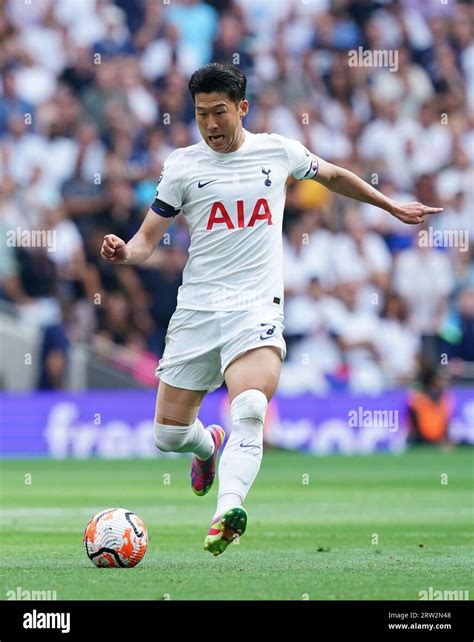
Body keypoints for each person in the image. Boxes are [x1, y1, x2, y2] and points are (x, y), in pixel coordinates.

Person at [100, 63, 442, 556]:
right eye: (201, 115)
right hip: (197, 311)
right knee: (167, 436)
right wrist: (123, 253)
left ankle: (228, 509)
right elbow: (147, 241)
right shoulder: (181, 166)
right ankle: (207, 446)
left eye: (220, 112)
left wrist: (390, 206)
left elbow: (335, 176)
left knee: (252, 408)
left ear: (243, 108)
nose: (212, 125)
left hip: (255, 307)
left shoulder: (277, 152)